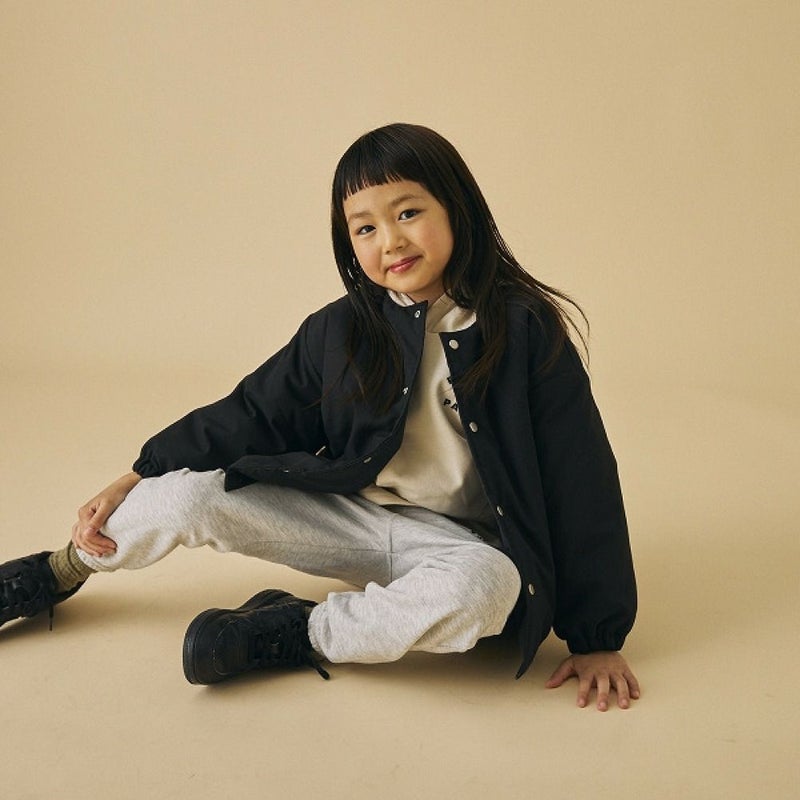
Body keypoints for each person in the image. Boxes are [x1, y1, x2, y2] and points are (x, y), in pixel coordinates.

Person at [0, 123, 639, 710]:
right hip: (351, 516)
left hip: (463, 547)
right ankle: (58, 572)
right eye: (365, 228)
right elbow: (252, 413)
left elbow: (580, 480)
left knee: (487, 589)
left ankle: (298, 630)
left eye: (408, 213)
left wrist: (596, 637)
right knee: (188, 495)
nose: (391, 241)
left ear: (457, 208)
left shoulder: (524, 331)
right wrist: (142, 471)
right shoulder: (341, 330)